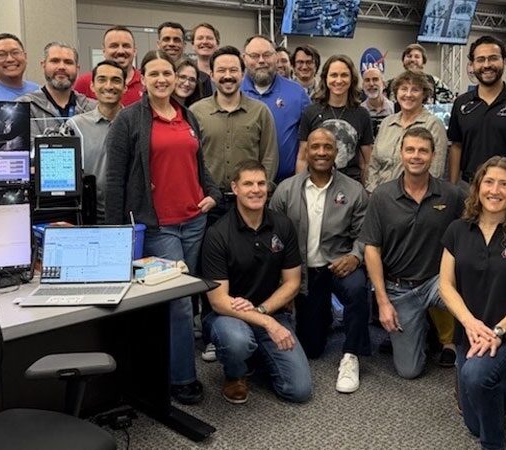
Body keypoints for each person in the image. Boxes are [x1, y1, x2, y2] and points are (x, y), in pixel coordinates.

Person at [105, 50, 222, 405]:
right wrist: (115, 235)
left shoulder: (187, 115)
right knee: (180, 303)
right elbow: (115, 179)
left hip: (194, 220)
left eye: (167, 73)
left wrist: (213, 193)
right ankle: (182, 378)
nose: (161, 79)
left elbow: (198, 164)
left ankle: (170, 365)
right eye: (153, 73)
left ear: (176, 77)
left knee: (187, 299)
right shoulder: (128, 120)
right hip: (159, 226)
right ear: (142, 79)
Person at [439, 156, 506, 450]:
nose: (495, 190)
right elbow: (446, 285)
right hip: (470, 331)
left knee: (476, 376)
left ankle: (493, 445)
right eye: (489, 182)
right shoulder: (457, 230)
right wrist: (470, 323)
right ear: (477, 187)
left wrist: (498, 332)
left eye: (504, 184)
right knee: (473, 422)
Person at [201, 159, 313, 404]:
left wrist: (262, 312)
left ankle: (256, 355)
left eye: (261, 183)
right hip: (227, 317)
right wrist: (267, 323)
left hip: (270, 310)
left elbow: (292, 282)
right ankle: (235, 373)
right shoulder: (217, 234)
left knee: (299, 390)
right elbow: (218, 301)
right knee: (237, 340)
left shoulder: (282, 225)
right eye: (248, 184)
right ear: (235, 188)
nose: (256, 190)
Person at [360, 126, 466, 379]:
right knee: (409, 370)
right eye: (410, 150)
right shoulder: (382, 196)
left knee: (479, 299)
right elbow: (371, 249)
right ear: (401, 153)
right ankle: (423, 329)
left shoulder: (451, 195)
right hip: (400, 289)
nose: (416, 156)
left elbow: (473, 232)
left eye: (423, 151)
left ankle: (482, 351)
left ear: (433, 155)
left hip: (438, 282)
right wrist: (383, 301)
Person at [270, 127, 370, 393]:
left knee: (358, 288)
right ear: (307, 151)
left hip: (338, 265)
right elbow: (273, 239)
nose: (321, 152)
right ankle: (325, 314)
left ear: (336, 152)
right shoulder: (286, 190)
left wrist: (355, 256)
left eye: (328, 147)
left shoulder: (354, 190)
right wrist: (282, 282)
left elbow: (365, 234)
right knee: (312, 348)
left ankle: (351, 354)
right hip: (302, 273)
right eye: (315, 147)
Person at [447, 35, 506, 203]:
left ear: (505, 61)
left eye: (493, 58)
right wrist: (453, 187)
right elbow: (456, 146)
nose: (487, 65)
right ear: (472, 65)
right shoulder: (461, 103)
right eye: (480, 60)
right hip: (469, 189)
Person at [190, 45, 278, 218]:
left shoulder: (260, 111)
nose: (228, 76)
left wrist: (261, 190)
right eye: (221, 70)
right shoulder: (196, 112)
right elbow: (190, 159)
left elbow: (269, 156)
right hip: (209, 202)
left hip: (248, 200)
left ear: (242, 74)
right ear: (212, 75)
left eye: (233, 70)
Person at [241, 35, 309, 183]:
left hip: (286, 184)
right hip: (243, 186)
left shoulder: (297, 93)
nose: (261, 60)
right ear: (244, 58)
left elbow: (308, 141)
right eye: (254, 56)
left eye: (267, 55)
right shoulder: (235, 92)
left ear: (276, 57)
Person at [65, 59, 126, 224]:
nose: (109, 86)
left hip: (127, 215)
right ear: (92, 86)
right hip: (87, 216)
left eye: (116, 80)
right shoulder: (75, 126)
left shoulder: (135, 123)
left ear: (125, 87)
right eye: (102, 79)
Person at [296, 55, 374, 184]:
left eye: (344, 75)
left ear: (352, 79)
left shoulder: (362, 114)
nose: (338, 80)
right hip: (316, 185)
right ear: (325, 78)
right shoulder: (310, 112)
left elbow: (367, 162)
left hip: (351, 186)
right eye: (333, 75)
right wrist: (299, 188)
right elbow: (302, 158)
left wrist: (367, 190)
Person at [366, 70, 448, 192]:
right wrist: (374, 192)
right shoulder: (387, 123)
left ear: (424, 95)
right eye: (404, 89)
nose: (408, 94)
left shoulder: (433, 125)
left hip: (415, 197)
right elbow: (374, 164)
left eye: (415, 90)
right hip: (380, 195)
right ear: (396, 93)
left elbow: (435, 171)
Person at [17, 42, 96, 137]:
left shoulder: (92, 108)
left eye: (68, 62)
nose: (61, 67)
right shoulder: (24, 107)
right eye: (55, 61)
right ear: (43, 65)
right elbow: (29, 144)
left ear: (77, 68)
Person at [73, 26, 144, 106]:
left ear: (134, 51)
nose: (120, 51)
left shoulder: (146, 82)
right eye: (114, 46)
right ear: (104, 50)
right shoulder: (85, 83)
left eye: (126, 46)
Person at [385, 43, 453, 106]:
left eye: (417, 57)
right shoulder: (391, 84)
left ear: (423, 61)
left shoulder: (435, 82)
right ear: (403, 60)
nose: (412, 59)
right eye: (409, 56)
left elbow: (449, 104)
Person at [360, 67, 394, 137]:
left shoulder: (394, 109)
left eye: (375, 79)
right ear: (363, 86)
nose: (371, 84)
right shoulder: (359, 112)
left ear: (384, 84)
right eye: (367, 80)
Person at [188, 23, 217, 103]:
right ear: (193, 45)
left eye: (209, 38)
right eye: (200, 38)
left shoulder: (226, 73)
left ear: (217, 43)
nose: (205, 41)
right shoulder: (187, 73)